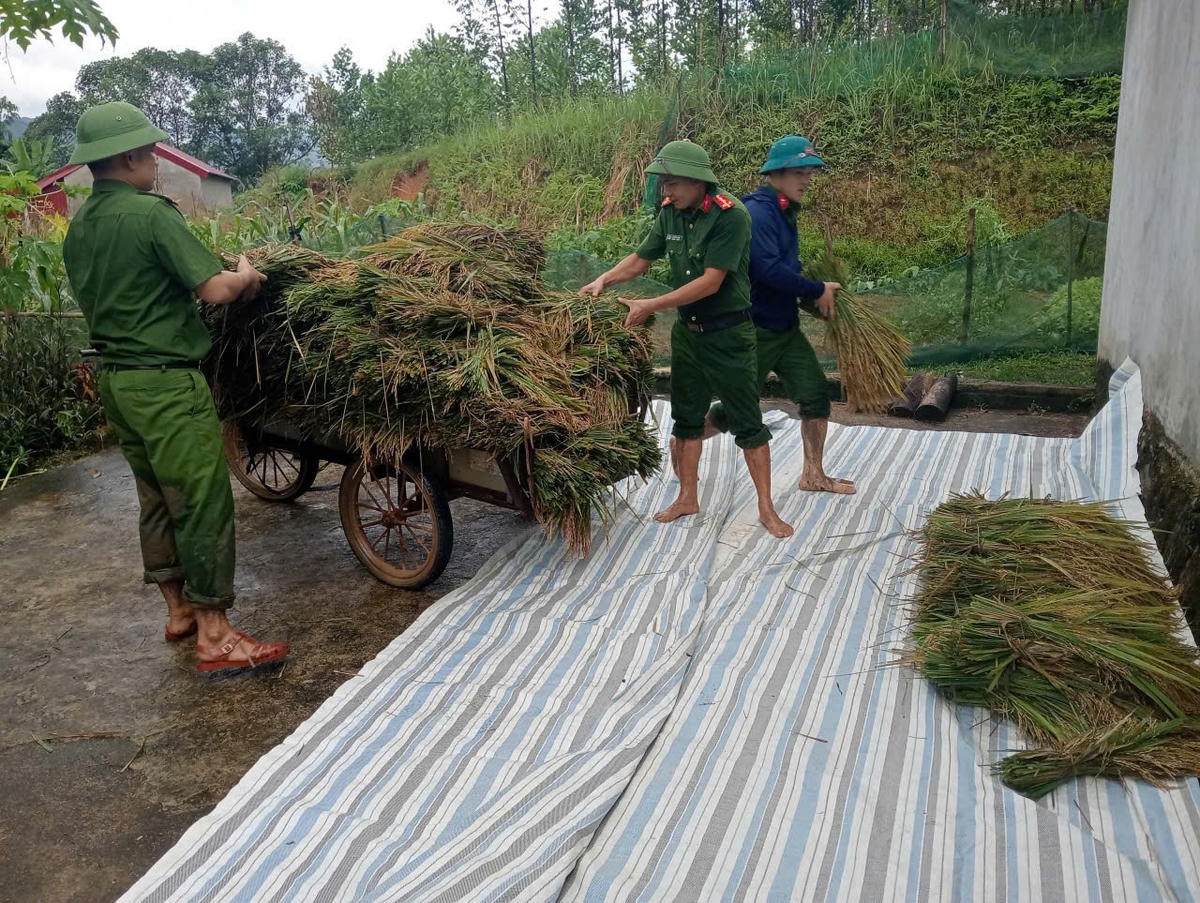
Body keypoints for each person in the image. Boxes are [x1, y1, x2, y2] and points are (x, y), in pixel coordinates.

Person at [62, 101, 290, 672]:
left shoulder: (81, 225)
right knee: (202, 500)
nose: (156, 163)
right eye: (152, 154)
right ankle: (216, 636)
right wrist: (247, 275)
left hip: (118, 384)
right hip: (165, 384)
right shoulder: (149, 215)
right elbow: (214, 289)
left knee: (157, 497)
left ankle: (180, 612)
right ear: (132, 156)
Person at [580, 140, 793, 538]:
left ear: (698, 182)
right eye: (663, 184)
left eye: (673, 183)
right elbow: (642, 258)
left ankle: (767, 506)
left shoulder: (732, 216)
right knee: (686, 418)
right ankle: (687, 497)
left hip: (730, 334)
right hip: (689, 336)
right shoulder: (670, 214)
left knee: (748, 422)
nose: (667, 191)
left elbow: (711, 283)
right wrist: (604, 279)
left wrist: (650, 305)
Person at [708, 134, 855, 494]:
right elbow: (765, 269)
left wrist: (809, 294)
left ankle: (813, 474)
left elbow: (786, 267)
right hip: (754, 330)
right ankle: (684, 441)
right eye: (799, 172)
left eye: (809, 173)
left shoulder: (785, 210)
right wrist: (815, 289)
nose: (807, 180)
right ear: (777, 173)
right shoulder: (758, 212)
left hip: (786, 330)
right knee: (733, 410)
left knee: (816, 396)